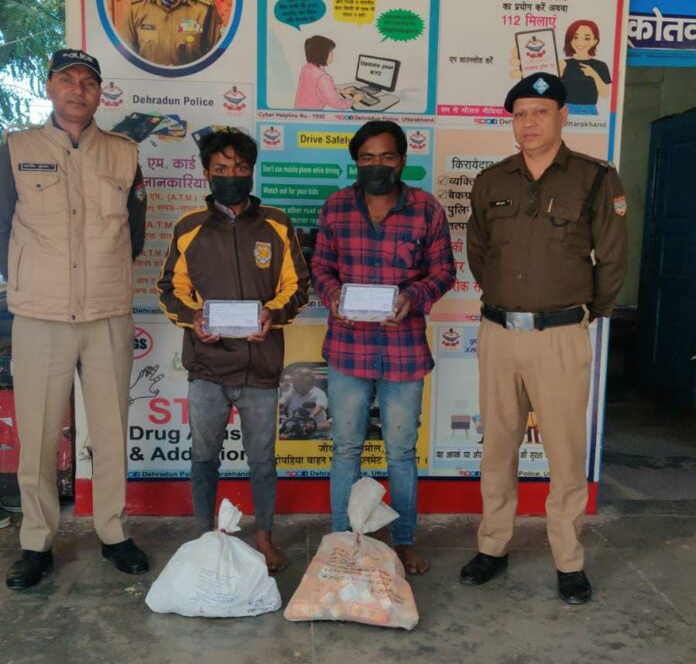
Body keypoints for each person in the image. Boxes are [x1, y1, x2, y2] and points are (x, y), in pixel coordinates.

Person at [462, 72, 628, 604]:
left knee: (564, 452)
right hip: (498, 333)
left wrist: (587, 312)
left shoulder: (595, 179)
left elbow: (613, 257)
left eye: (540, 112)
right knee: (498, 447)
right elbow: (479, 250)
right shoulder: (492, 181)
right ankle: (492, 546)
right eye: (520, 114)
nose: (529, 123)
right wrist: (506, 299)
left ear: (563, 116)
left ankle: (568, 560)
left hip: (560, 336)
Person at [0, 49, 149, 590]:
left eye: (89, 82)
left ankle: (113, 531)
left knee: (110, 430)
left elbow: (134, 232)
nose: (78, 89)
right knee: (38, 436)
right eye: (67, 80)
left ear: (100, 93)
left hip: (106, 313)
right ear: (49, 87)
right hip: (40, 315)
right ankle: (37, 542)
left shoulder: (124, 153)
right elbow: (2, 226)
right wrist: (33, 279)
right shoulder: (16, 149)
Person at [157, 129, 309, 571]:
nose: (231, 176)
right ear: (207, 174)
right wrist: (194, 318)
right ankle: (205, 536)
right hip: (207, 368)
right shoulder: (190, 228)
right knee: (203, 458)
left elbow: (297, 286)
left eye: (240, 168)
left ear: (252, 171)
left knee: (262, 461)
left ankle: (264, 537)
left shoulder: (276, 224)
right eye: (221, 169)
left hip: (261, 367)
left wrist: (272, 315)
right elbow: (170, 289)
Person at [312, 120, 455, 574]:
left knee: (401, 453)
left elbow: (444, 271)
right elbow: (320, 266)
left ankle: (404, 542)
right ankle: (343, 541)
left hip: (403, 349)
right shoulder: (336, 207)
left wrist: (414, 297)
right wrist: (332, 296)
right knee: (345, 449)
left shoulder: (427, 209)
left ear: (402, 161)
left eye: (387, 157)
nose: (377, 165)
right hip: (348, 349)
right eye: (367, 158)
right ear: (356, 162)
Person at [559, 19, 611, 115]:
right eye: (575, 37)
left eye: (586, 38)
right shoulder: (563, 64)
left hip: (589, 111)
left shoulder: (600, 65)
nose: (580, 42)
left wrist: (594, 75)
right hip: (565, 110)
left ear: (594, 41)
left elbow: (605, 94)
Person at [294, 35, 358, 110]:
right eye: (330, 51)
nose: (332, 54)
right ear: (321, 53)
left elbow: (320, 90)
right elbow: (338, 104)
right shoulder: (323, 78)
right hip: (312, 115)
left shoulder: (307, 67)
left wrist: (341, 91)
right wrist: (354, 100)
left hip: (299, 112)